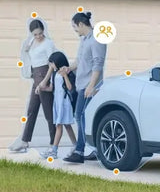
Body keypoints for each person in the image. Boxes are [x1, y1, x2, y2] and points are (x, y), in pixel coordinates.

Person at [63, 12, 107, 164]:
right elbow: (79, 60)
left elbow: (98, 64)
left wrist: (92, 85)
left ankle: (79, 151)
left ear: (81, 24)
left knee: (82, 116)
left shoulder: (96, 39)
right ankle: (94, 150)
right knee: (82, 116)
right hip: (82, 84)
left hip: (90, 85)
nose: (75, 31)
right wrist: (68, 69)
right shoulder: (84, 40)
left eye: (75, 27)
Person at [10, 18, 57, 152]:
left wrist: (44, 82)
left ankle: (54, 144)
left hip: (44, 77)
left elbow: (52, 65)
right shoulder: (32, 42)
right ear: (31, 34)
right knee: (31, 110)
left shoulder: (48, 43)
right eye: (35, 34)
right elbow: (28, 55)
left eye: (40, 33)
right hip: (36, 77)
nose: (38, 36)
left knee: (48, 113)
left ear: (44, 31)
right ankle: (24, 141)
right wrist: (27, 49)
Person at [40, 51, 77, 159]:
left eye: (51, 63)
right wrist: (42, 88)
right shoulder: (54, 73)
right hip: (57, 103)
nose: (50, 66)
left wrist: (65, 75)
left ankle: (54, 151)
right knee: (67, 125)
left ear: (57, 62)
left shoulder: (67, 72)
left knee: (59, 125)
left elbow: (70, 88)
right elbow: (52, 88)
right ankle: (76, 145)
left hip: (64, 103)